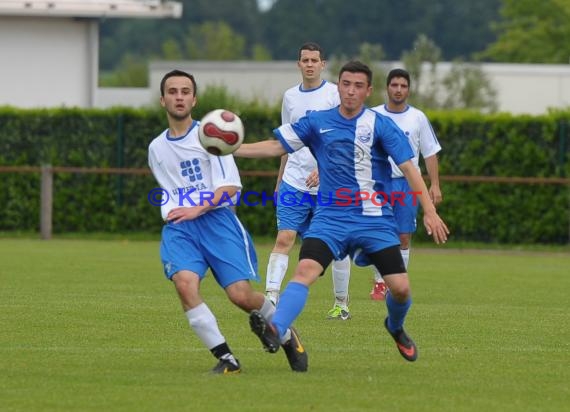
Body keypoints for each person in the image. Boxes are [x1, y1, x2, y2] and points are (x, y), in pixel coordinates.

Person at [235, 61, 449, 368]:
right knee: (305, 271)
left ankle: (395, 326)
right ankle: (276, 328)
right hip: (330, 218)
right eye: (345, 84)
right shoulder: (317, 122)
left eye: (358, 86)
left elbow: (408, 167)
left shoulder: (380, 125)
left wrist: (429, 210)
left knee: (401, 289)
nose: (350, 91)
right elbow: (275, 145)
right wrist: (231, 148)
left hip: (373, 219)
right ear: (339, 86)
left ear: (368, 91)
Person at [147, 69, 308, 374]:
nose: (178, 96)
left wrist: (197, 208)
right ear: (162, 99)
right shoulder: (156, 148)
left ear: (194, 100)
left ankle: (286, 334)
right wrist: (180, 212)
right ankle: (227, 359)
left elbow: (230, 189)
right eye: (172, 91)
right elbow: (170, 191)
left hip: (218, 223)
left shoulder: (213, 137)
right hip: (180, 228)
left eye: (184, 91)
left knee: (240, 296)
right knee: (184, 284)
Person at [264, 41, 352, 320]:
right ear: (299, 64)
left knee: (338, 246)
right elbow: (285, 143)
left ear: (323, 64)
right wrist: (279, 183)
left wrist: (325, 171)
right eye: (305, 60)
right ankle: (270, 299)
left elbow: (344, 141)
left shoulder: (333, 95)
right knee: (284, 238)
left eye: (315, 60)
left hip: (330, 184)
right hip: (294, 182)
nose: (310, 64)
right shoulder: (290, 97)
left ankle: (341, 304)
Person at [368, 68, 442, 299]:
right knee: (377, 232)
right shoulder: (372, 115)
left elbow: (430, 153)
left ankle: (397, 282)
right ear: (387, 88)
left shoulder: (417, 117)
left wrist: (435, 184)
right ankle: (380, 282)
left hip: (407, 184)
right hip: (378, 183)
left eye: (403, 86)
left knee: (403, 236)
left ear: (408, 90)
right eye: (394, 85)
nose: (398, 90)